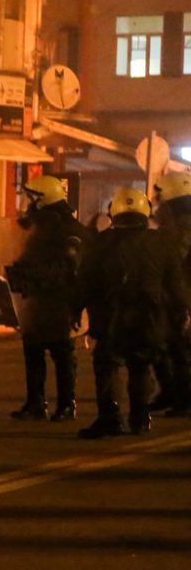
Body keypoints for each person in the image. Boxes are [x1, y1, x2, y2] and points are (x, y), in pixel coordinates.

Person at [73, 187, 188, 439]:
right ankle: (140, 417)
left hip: (110, 316)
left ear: (114, 213)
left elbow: (85, 282)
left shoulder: (100, 243)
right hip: (149, 316)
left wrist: (75, 311)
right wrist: (181, 312)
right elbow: (175, 284)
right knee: (140, 366)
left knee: (107, 365)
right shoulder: (162, 243)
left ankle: (110, 418)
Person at [7, 175, 90, 422]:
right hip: (36, 297)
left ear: (42, 200)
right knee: (33, 351)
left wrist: (76, 305)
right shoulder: (36, 225)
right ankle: (35, 402)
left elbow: (76, 268)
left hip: (58, 299)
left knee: (62, 353)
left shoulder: (68, 230)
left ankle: (66, 404)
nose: (28, 203)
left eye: (31, 198)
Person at [149, 172, 191, 417]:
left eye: (160, 194)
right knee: (163, 343)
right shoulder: (175, 221)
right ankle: (172, 392)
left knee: (179, 346)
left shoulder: (184, 224)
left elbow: (176, 257)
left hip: (180, 290)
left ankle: (183, 397)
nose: (156, 199)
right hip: (173, 289)